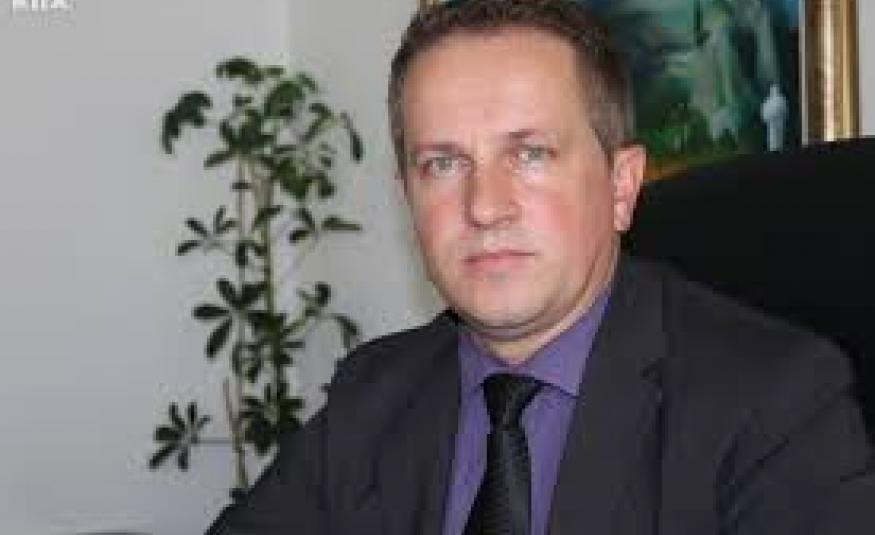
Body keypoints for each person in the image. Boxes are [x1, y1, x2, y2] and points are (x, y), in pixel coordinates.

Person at [207, 1, 874, 533]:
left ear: (621, 185)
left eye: (529, 154)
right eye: (443, 163)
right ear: (407, 195)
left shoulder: (772, 403)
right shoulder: (374, 395)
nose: (483, 206)